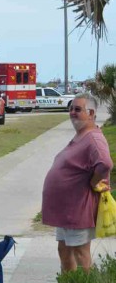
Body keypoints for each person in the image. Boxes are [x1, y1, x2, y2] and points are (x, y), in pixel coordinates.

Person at [42, 93, 113, 272]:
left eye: (78, 109)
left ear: (91, 113)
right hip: (66, 211)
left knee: (80, 252)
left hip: (78, 209)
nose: (73, 112)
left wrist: (93, 182)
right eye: (71, 108)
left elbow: (105, 163)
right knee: (64, 250)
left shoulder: (94, 139)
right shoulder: (81, 135)